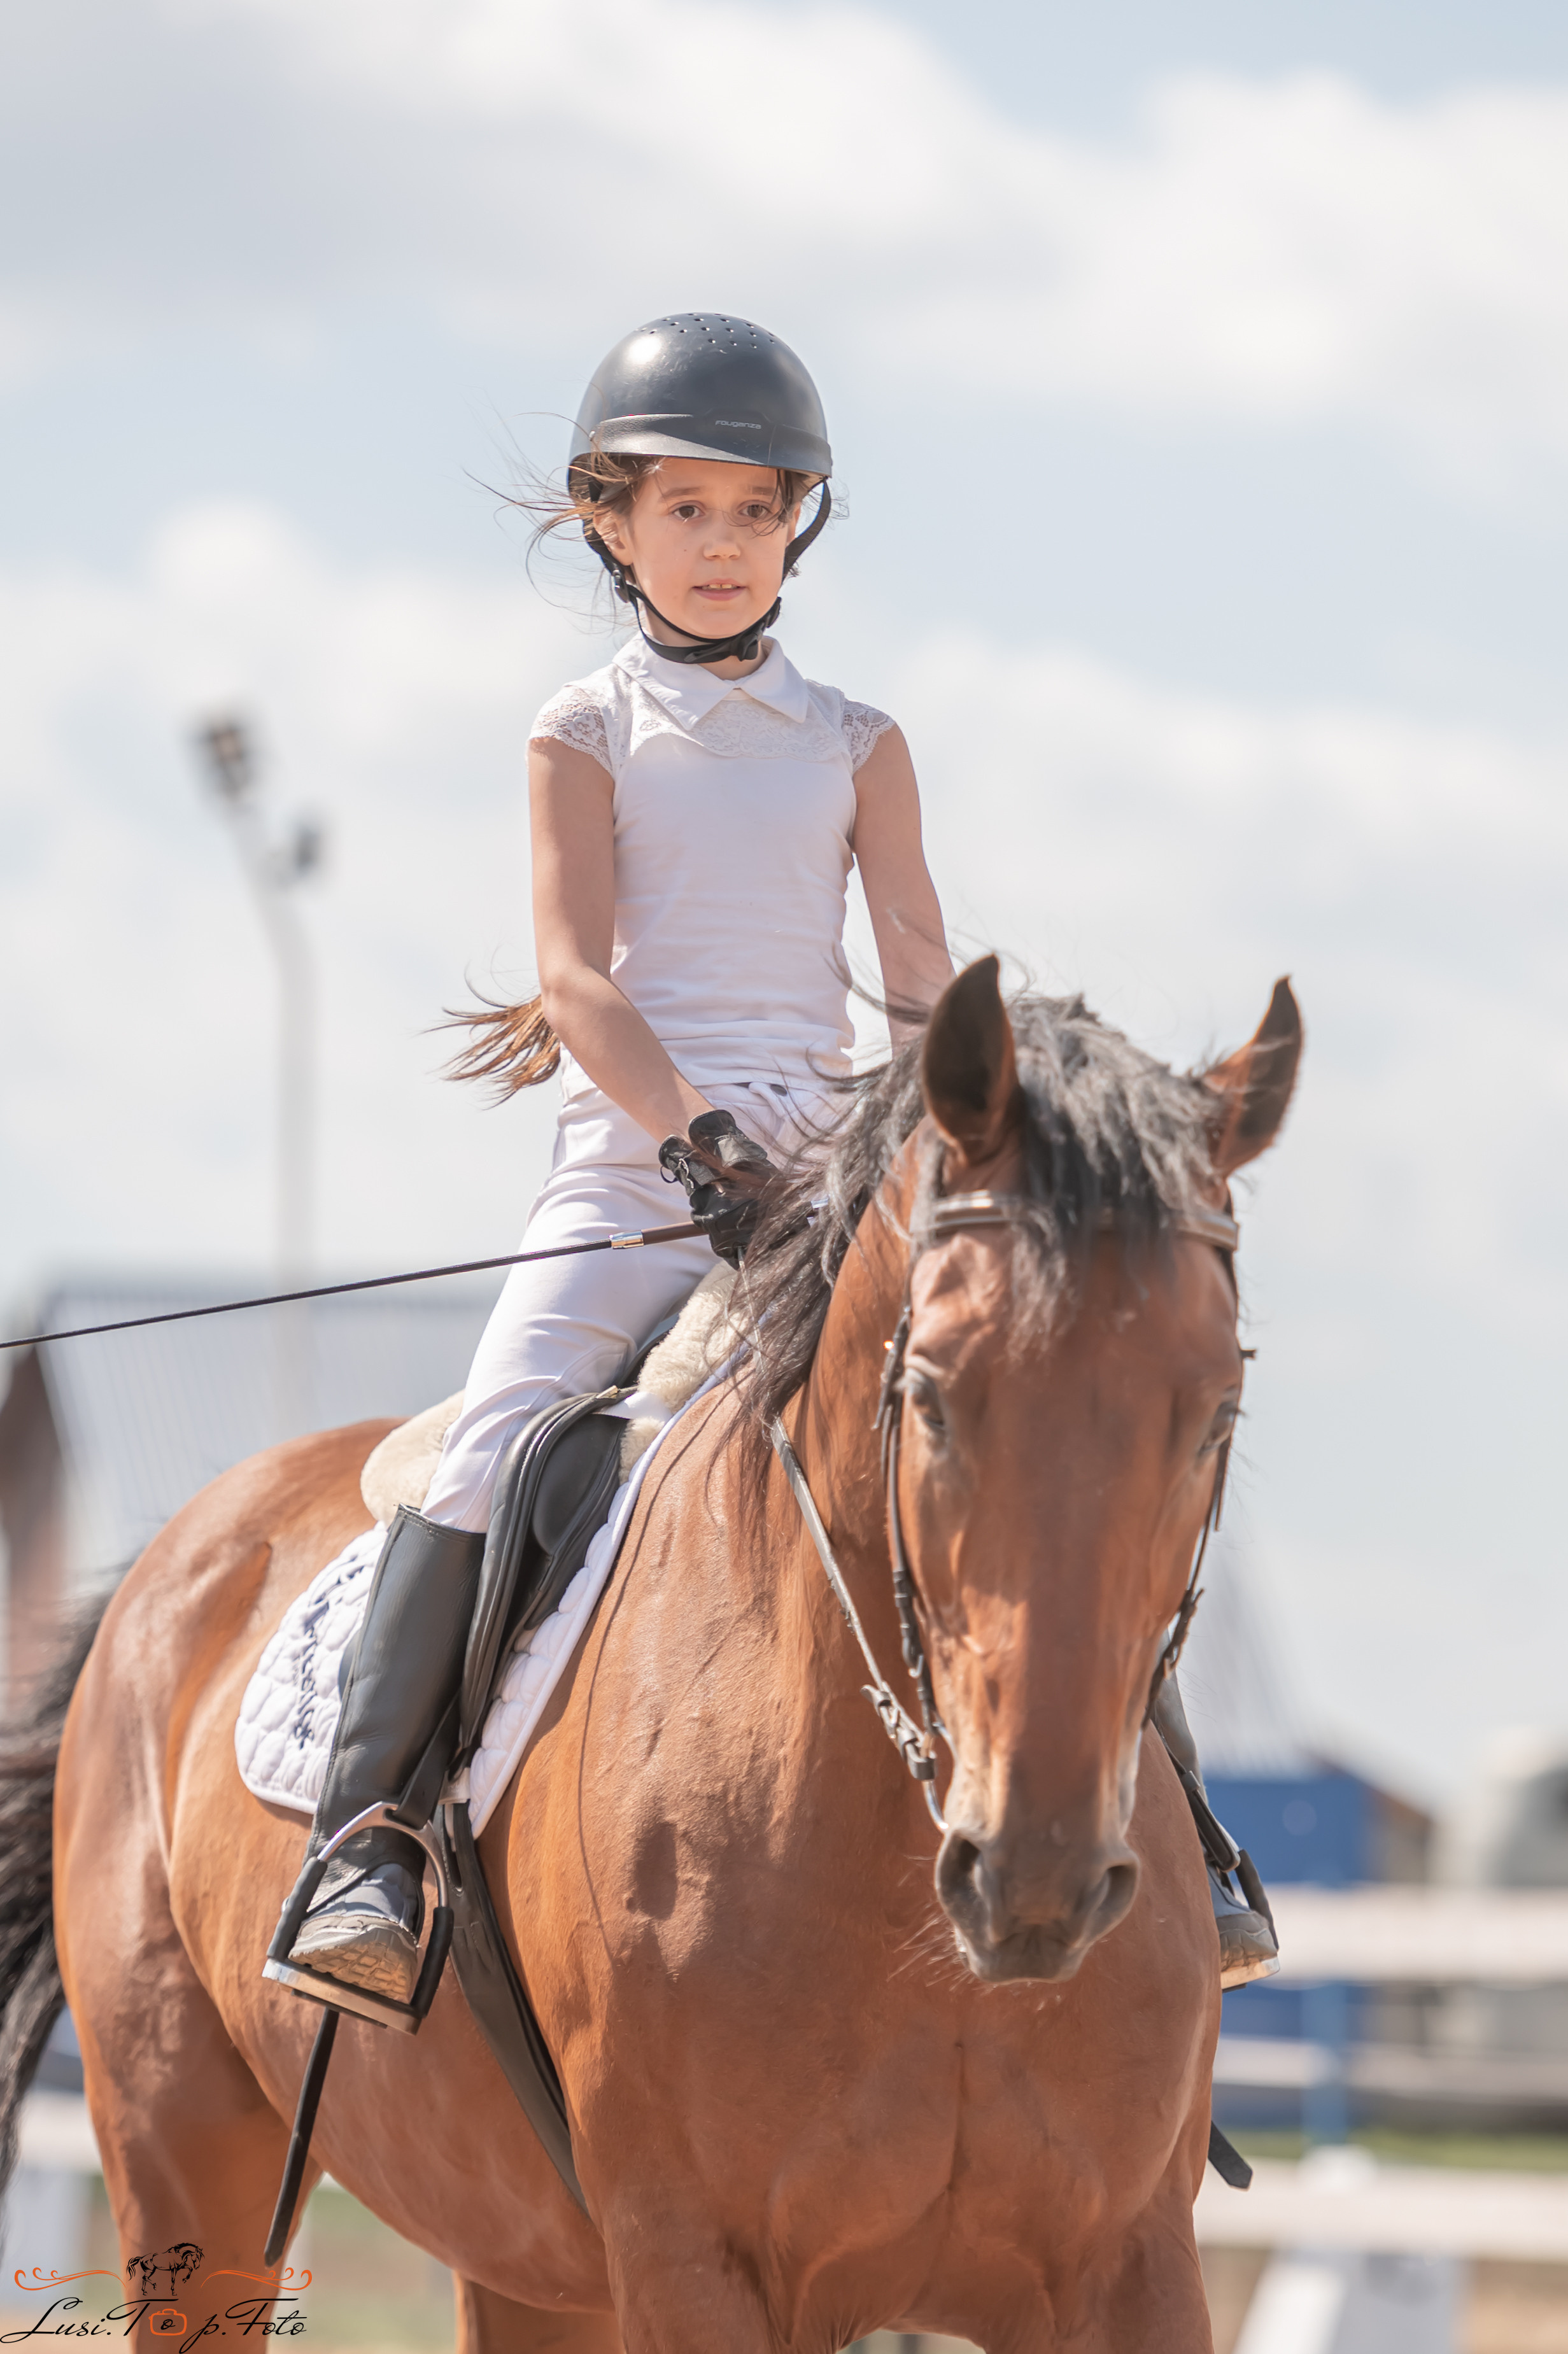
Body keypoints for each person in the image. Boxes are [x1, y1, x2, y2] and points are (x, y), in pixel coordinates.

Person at [276, 313, 1276, 2009]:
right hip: (629, 1182)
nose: (724, 544)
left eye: (755, 511)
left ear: (797, 525)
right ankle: (366, 1834)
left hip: (830, 1183)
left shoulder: (857, 739)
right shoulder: (578, 729)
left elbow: (913, 980)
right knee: (492, 1443)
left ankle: (1186, 1825)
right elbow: (582, 983)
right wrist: (700, 1142)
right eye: (687, 511)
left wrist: (956, 1152)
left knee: (1022, 1435)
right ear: (610, 520)